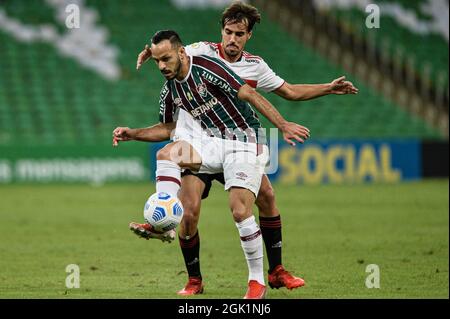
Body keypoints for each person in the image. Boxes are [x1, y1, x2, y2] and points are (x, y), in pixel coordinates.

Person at [128, 1, 358, 296]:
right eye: (228, 32)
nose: (232, 39)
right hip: (203, 142)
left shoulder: (255, 66)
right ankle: (191, 274)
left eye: (239, 34)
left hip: (240, 141)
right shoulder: (201, 51)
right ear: (221, 31)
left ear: (248, 36)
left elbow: (289, 91)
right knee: (188, 211)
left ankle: (274, 272)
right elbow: (171, 52)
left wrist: (327, 87)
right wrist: (152, 53)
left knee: (264, 198)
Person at [113, 29, 310, 299]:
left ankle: (256, 281)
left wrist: (283, 124)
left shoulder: (207, 66)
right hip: (210, 141)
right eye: (157, 61)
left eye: (166, 59)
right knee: (166, 155)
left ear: (181, 52)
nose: (161, 66)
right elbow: (169, 127)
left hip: (243, 139)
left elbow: (249, 94)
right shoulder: (170, 89)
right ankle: (164, 223)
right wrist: (132, 134)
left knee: (241, 211)